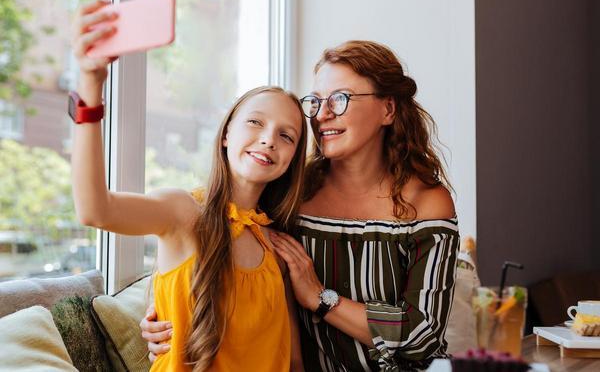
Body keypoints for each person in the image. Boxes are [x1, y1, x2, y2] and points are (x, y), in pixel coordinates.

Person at [143, 40, 459, 371]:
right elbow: (213, 246)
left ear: (388, 110)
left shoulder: (426, 201)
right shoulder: (289, 193)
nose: (322, 115)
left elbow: (423, 333)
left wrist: (321, 299)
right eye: (316, 101)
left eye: (340, 99)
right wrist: (161, 315)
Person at [71, 0, 307, 371]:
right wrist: (90, 86)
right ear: (226, 133)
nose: (268, 140)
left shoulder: (274, 245)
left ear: (293, 157)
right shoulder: (182, 210)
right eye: (255, 122)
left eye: (286, 135)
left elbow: (291, 359)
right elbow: (94, 209)